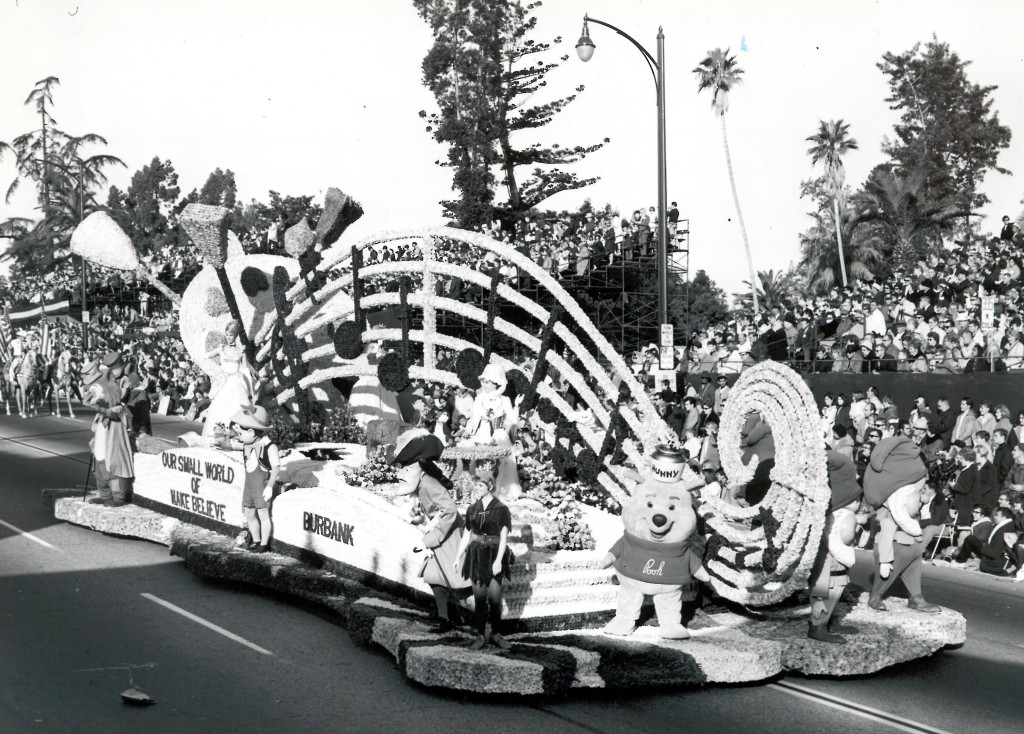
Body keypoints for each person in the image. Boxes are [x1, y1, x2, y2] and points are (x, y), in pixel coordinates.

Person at [392, 428, 472, 633]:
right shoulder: (421, 484)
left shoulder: (429, 483)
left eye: (405, 468)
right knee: (435, 578)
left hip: (449, 537)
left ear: (420, 466)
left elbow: (450, 511)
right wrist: (418, 519)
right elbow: (431, 511)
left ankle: (464, 617)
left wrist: (430, 539)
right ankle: (444, 615)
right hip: (439, 535)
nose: (400, 474)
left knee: (448, 577)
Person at [455, 475, 514, 651]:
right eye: (476, 486)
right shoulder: (472, 509)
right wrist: (458, 557)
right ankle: (480, 635)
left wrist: (498, 561)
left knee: (495, 599)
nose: (477, 488)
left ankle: (496, 634)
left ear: (489, 486)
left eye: (480, 485)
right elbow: (467, 534)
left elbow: (503, 537)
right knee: (480, 599)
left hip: (494, 553)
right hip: (476, 556)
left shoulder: (501, 509)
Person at [462, 363, 522, 500]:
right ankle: (479, 490)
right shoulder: (479, 398)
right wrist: (468, 431)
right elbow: (473, 420)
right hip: (481, 434)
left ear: (496, 383)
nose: (485, 385)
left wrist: (517, 405)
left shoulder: (504, 400)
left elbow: (513, 419)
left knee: (500, 464)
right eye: (483, 382)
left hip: (498, 434)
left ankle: (496, 490)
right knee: (479, 463)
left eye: (488, 382)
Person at [225, 405, 279, 553]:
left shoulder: (269, 447)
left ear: (251, 431)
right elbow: (231, 444)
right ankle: (256, 539)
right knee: (249, 512)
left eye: (240, 433)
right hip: (249, 485)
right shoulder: (247, 444)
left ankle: (264, 543)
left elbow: (275, 467)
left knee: (263, 515)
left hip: (261, 485)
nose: (238, 436)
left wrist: (269, 486)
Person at [83, 356, 134, 507]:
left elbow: (111, 414)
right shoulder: (100, 414)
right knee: (100, 472)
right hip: (100, 452)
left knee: (114, 472)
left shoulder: (118, 407)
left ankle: (119, 497)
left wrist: (93, 406)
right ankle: (105, 495)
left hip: (113, 450)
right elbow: (97, 426)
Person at [201, 320, 256, 441]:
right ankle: (218, 436)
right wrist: (204, 335)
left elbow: (245, 368)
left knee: (236, 408)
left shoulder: (240, 350)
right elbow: (206, 356)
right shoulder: (221, 348)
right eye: (227, 334)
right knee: (220, 408)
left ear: (236, 336)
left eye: (231, 335)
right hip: (224, 382)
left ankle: (235, 437)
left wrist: (250, 390)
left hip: (236, 382)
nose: (228, 337)